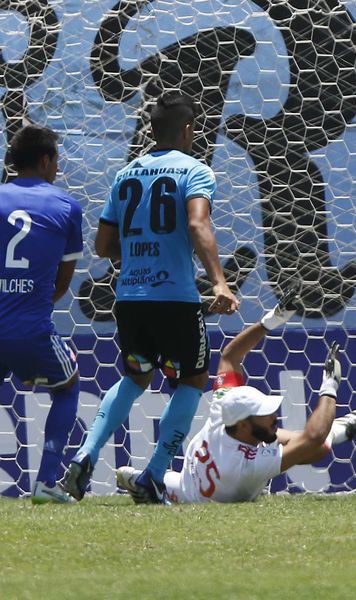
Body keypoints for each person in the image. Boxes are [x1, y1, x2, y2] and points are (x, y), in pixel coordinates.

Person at [63, 91, 239, 503]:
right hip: (174, 300)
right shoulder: (195, 171)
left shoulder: (126, 175)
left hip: (130, 299)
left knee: (137, 375)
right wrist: (219, 281)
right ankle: (154, 474)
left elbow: (104, 245)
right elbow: (198, 224)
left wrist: (143, 252)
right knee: (193, 379)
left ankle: (85, 454)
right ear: (189, 130)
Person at [115, 298, 356, 504]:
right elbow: (311, 438)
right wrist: (330, 386)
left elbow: (230, 356)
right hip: (194, 497)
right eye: (265, 413)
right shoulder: (246, 466)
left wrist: (271, 321)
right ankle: (341, 430)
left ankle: (141, 482)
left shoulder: (223, 408)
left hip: (186, 481)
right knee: (316, 447)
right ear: (243, 425)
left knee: (134, 476)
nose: (273, 415)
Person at [0, 125, 84, 504]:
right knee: (67, 386)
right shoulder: (66, 207)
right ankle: (47, 482)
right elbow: (62, 283)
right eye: (56, 161)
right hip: (33, 328)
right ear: (46, 160)